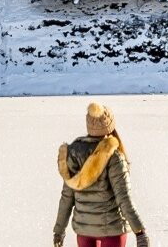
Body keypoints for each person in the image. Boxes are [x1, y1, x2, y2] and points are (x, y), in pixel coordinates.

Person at [54, 103, 150, 247]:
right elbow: (124, 198)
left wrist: (59, 231)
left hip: (84, 230)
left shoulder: (73, 154)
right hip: (112, 230)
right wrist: (140, 232)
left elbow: (67, 198)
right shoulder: (114, 156)